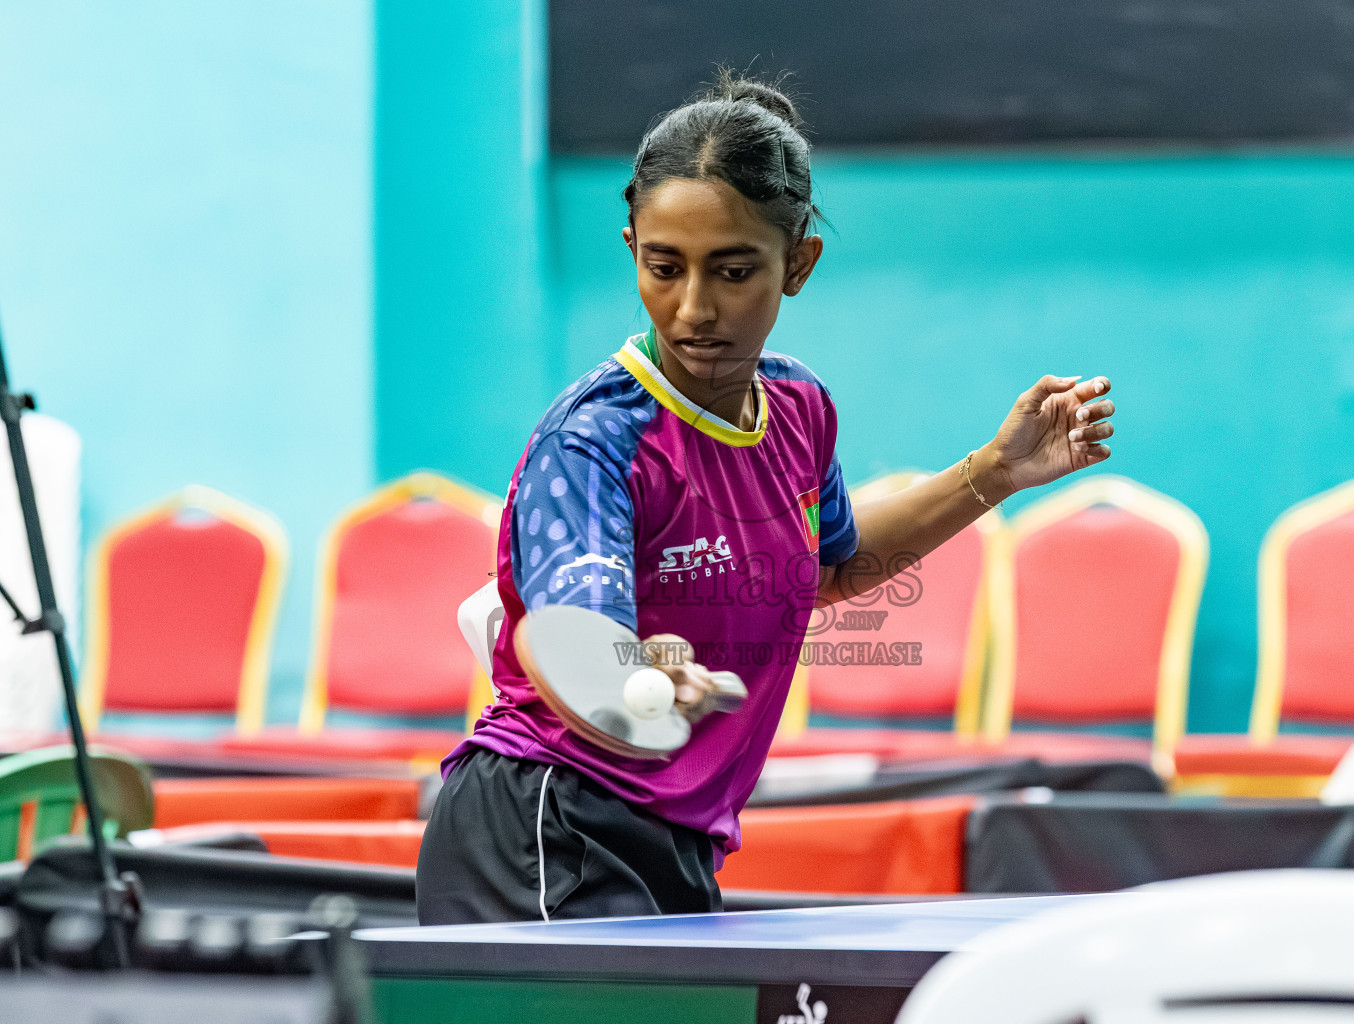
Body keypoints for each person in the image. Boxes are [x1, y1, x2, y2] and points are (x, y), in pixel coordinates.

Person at [415, 71, 1116, 925]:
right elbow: (578, 636)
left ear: (799, 265)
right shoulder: (594, 440)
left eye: (734, 269)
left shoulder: (798, 409)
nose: (695, 308)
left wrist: (995, 472)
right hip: (548, 827)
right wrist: (641, 673)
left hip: (679, 833)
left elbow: (838, 566)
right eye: (662, 267)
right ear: (632, 245)